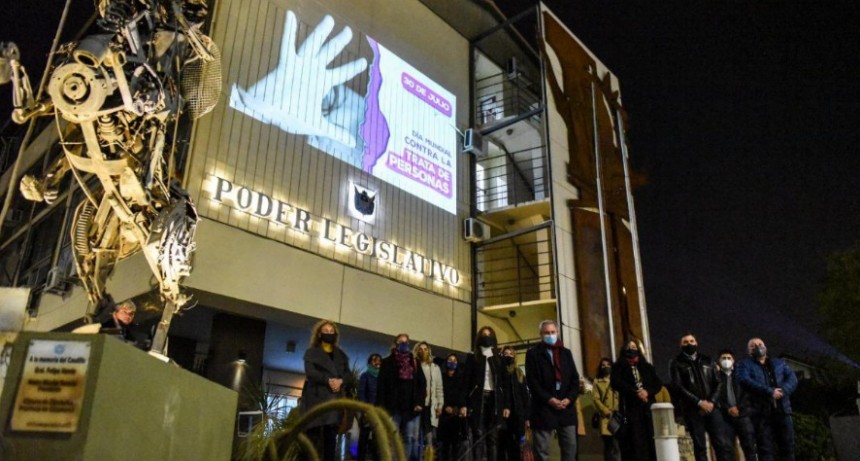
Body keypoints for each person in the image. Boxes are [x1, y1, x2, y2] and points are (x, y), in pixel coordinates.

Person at [668, 334, 733, 461]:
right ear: (681, 345)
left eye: (691, 341)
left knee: (721, 444)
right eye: (685, 342)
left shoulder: (708, 360)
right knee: (700, 447)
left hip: (712, 408)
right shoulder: (676, 363)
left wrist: (711, 402)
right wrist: (698, 402)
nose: (689, 344)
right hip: (692, 410)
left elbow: (718, 382)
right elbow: (678, 386)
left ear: (696, 343)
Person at [524, 320, 580, 461]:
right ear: (541, 335)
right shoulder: (533, 354)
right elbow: (532, 382)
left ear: (557, 333)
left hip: (566, 408)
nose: (550, 335)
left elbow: (574, 379)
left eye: (552, 332)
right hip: (543, 408)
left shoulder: (566, 353)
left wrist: (569, 399)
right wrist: (550, 399)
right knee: (541, 453)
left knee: (570, 449)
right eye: (547, 333)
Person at [736, 338, 798, 461]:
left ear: (765, 347)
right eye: (753, 346)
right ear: (749, 351)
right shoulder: (744, 365)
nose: (757, 347)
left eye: (760, 344)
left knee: (788, 448)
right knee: (765, 449)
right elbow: (744, 380)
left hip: (783, 411)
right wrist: (769, 391)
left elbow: (792, 378)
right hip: (761, 413)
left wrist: (783, 391)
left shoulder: (779, 363)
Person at [300, 320, 350, 461]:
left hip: (333, 402)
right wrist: (328, 380)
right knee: (312, 440)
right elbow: (310, 372)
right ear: (319, 334)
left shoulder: (341, 355)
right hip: (315, 400)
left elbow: (348, 375)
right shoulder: (311, 353)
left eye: (331, 331)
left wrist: (340, 381)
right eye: (325, 331)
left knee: (330, 440)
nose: (328, 334)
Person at [377, 333, 426, 460]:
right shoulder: (387, 362)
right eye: (401, 342)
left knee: (409, 438)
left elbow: (422, 384)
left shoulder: (414, 362)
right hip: (393, 408)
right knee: (392, 438)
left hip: (411, 408)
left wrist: (419, 402)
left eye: (406, 342)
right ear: (395, 344)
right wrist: (381, 408)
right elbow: (381, 386)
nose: (404, 345)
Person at [610, 339, 661, 461]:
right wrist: (635, 392)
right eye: (628, 347)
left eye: (634, 347)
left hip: (648, 409)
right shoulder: (618, 367)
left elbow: (657, 383)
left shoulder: (647, 367)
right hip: (630, 410)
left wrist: (647, 391)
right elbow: (616, 383)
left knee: (651, 442)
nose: (631, 349)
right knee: (634, 443)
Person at [465, 326, 510, 461]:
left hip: (494, 399)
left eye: (489, 335)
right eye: (484, 335)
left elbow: (504, 384)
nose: (486, 337)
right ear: (479, 337)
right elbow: (466, 383)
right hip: (478, 399)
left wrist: (506, 406)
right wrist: (464, 404)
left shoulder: (498, 358)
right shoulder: (472, 357)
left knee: (492, 438)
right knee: (478, 436)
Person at [715, 349, 758, 461]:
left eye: (729, 358)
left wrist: (738, 408)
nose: (726, 360)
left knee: (749, 448)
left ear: (733, 360)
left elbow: (748, 394)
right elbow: (716, 397)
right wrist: (728, 409)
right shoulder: (716, 377)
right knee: (727, 450)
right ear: (719, 361)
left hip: (743, 415)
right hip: (726, 418)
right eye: (723, 358)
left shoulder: (741, 374)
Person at [499, 346, 529, 461]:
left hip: (518, 415)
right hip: (504, 415)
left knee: (516, 447)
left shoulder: (519, 373)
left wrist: (527, 417)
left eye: (510, 354)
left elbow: (525, 396)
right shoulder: (499, 372)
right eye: (505, 354)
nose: (508, 356)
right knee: (503, 445)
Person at [414, 341, 444, 459]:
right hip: (416, 407)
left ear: (429, 350)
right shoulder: (414, 366)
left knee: (430, 439)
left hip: (430, 408)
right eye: (420, 349)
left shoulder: (435, 368)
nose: (423, 351)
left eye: (425, 349)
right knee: (414, 437)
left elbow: (439, 388)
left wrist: (440, 405)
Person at [438, 353, 469, 461]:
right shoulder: (441, 377)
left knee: (457, 444)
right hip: (444, 415)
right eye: (450, 360)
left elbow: (463, 394)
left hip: (457, 415)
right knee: (444, 445)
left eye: (454, 360)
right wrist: (445, 406)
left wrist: (460, 407)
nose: (452, 362)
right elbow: (440, 392)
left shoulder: (460, 378)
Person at [593, 357, 621, 461]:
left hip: (618, 416)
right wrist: (606, 411)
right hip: (606, 418)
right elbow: (596, 399)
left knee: (619, 445)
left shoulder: (617, 379)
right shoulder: (597, 381)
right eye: (603, 365)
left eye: (608, 364)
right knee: (610, 446)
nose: (606, 367)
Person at [358, 353, 382, 461]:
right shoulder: (365, 376)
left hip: (379, 413)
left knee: (377, 442)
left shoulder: (382, 378)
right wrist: (366, 410)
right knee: (363, 439)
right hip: (367, 413)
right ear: (370, 363)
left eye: (379, 360)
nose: (377, 362)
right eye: (374, 360)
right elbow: (361, 394)